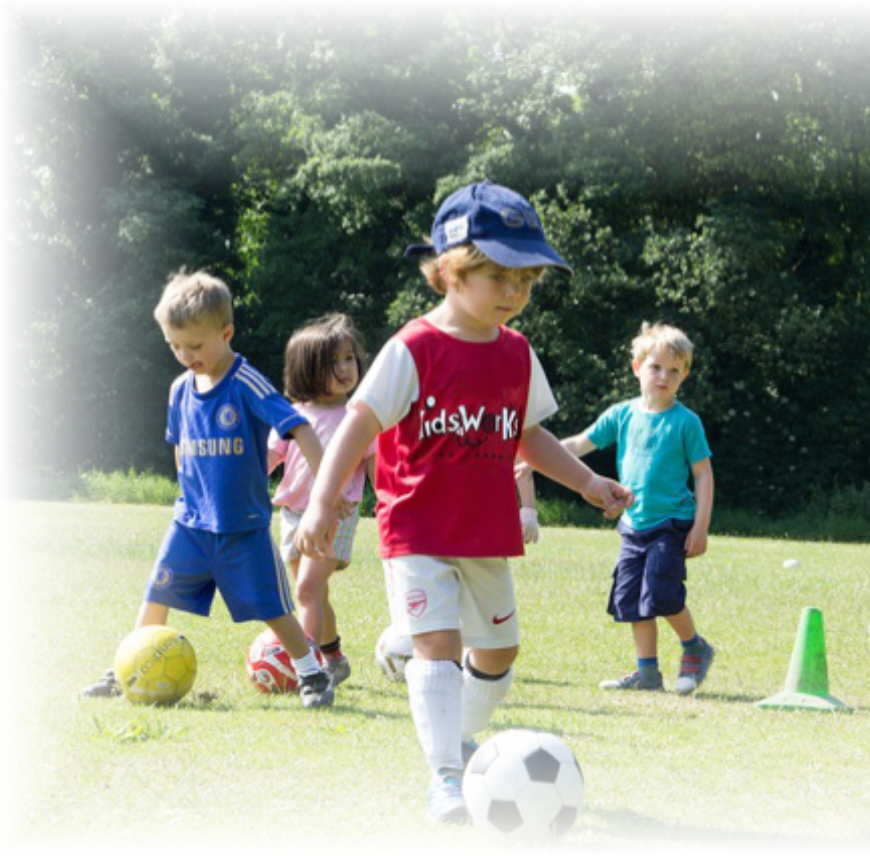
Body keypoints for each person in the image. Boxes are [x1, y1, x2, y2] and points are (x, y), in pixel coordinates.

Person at [293, 181, 632, 824]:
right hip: (416, 528)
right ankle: (445, 771)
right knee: (439, 649)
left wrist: (587, 482)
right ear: (449, 269)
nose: (514, 293)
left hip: (486, 531)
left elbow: (530, 435)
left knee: (499, 658)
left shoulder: (517, 354)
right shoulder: (413, 349)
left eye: (526, 279)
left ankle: (460, 745)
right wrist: (317, 505)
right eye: (499, 275)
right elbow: (358, 426)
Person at [82, 270, 337, 708]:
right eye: (175, 346)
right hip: (190, 523)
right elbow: (180, 447)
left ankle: (312, 673)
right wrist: (188, 496)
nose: (184, 355)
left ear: (227, 332)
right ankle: (128, 669)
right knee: (156, 592)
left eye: (195, 346)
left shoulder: (245, 382)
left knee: (272, 607)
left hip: (242, 526)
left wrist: (322, 497)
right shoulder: (179, 389)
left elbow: (301, 429)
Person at [557, 322, 715, 696]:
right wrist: (533, 459)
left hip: (672, 524)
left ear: (684, 375)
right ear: (637, 368)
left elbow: (704, 476)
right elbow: (579, 444)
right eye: (656, 367)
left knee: (661, 593)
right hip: (632, 525)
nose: (664, 376)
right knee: (631, 600)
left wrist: (701, 527)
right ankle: (647, 674)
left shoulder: (686, 423)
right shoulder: (621, 414)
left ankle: (694, 647)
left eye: (674, 370)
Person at [269, 313, 375, 687]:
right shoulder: (292, 415)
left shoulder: (360, 416)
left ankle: (307, 670)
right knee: (315, 591)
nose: (346, 368)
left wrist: (391, 503)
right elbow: (269, 459)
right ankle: (333, 656)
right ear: (306, 369)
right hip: (293, 515)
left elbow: (379, 470)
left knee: (307, 590)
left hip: (337, 515)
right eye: (333, 362)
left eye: (349, 358)